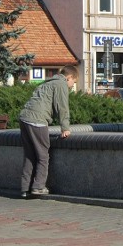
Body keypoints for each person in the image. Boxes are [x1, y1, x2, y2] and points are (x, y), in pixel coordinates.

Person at [18, 65, 78, 198]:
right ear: (69, 77)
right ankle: (38, 187)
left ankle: (25, 188)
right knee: (43, 155)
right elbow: (62, 107)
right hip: (37, 120)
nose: (72, 86)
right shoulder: (60, 84)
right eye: (73, 82)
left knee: (29, 155)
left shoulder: (48, 83)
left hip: (24, 118)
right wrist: (65, 128)